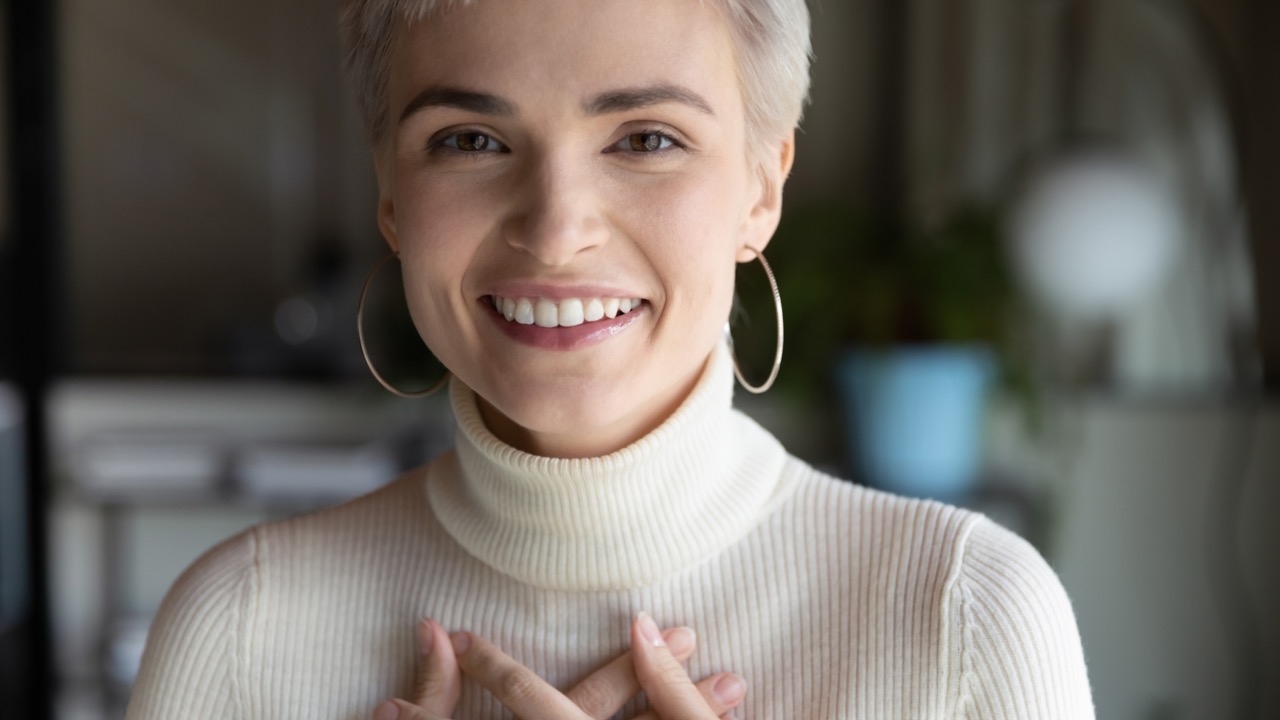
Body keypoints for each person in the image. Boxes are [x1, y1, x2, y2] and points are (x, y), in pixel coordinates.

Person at [126, 0, 1096, 718]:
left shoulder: (962, 618)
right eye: (469, 139)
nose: (554, 231)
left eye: (645, 138)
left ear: (761, 187)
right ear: (389, 192)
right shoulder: (239, 630)